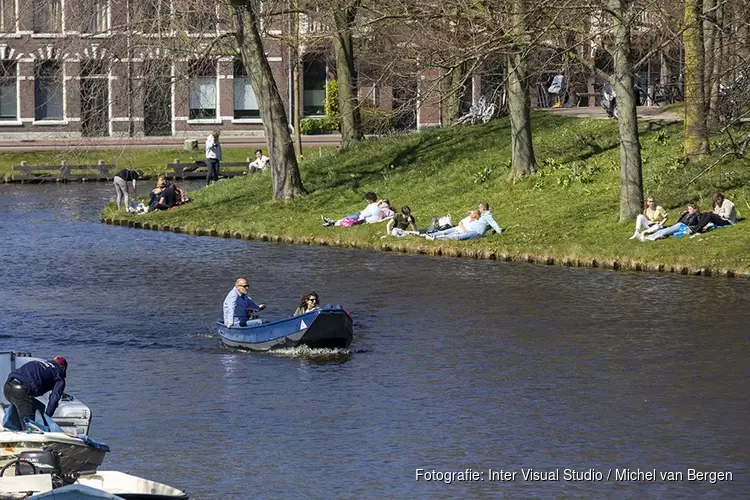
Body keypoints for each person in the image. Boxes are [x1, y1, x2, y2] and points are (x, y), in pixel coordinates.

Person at [3, 357, 67, 430]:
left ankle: (11, 430)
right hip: (21, 392)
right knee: (30, 427)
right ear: (63, 368)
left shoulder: (38, 363)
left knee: (35, 407)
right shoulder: (59, 375)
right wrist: (47, 417)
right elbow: (54, 400)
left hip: (7, 387)